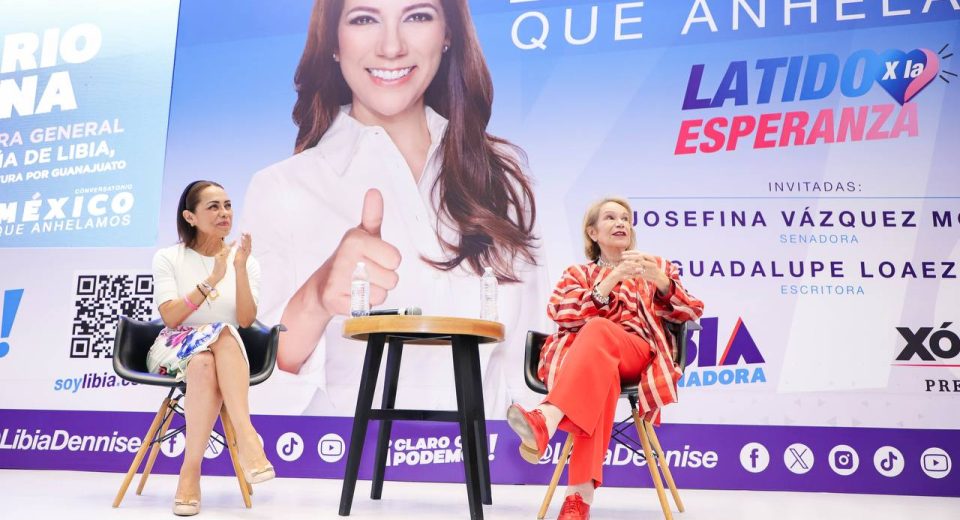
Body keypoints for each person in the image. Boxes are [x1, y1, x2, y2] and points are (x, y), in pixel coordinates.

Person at [241, 0, 548, 416]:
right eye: (364, 19)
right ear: (333, 42)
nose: (391, 47)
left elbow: (533, 371)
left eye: (417, 16)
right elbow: (250, 384)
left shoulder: (503, 180)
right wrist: (315, 298)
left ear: (448, 33)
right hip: (341, 453)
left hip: (484, 454)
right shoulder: (281, 187)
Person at [507, 197, 704, 520]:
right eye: (610, 218)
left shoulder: (656, 268)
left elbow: (691, 312)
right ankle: (577, 501)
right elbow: (562, 313)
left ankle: (548, 416)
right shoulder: (577, 274)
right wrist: (611, 279)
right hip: (592, 367)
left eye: (625, 218)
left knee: (599, 328)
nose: (621, 223)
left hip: (637, 356)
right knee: (600, 380)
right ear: (593, 232)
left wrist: (660, 281)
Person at [148, 180, 274, 516]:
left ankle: (189, 473)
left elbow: (245, 320)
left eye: (228, 205)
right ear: (190, 217)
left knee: (207, 358)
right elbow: (171, 317)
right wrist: (212, 280)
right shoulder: (168, 257)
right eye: (213, 207)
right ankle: (247, 436)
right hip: (174, 345)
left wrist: (238, 269)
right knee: (220, 334)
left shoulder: (245, 261)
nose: (224, 213)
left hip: (220, 352)